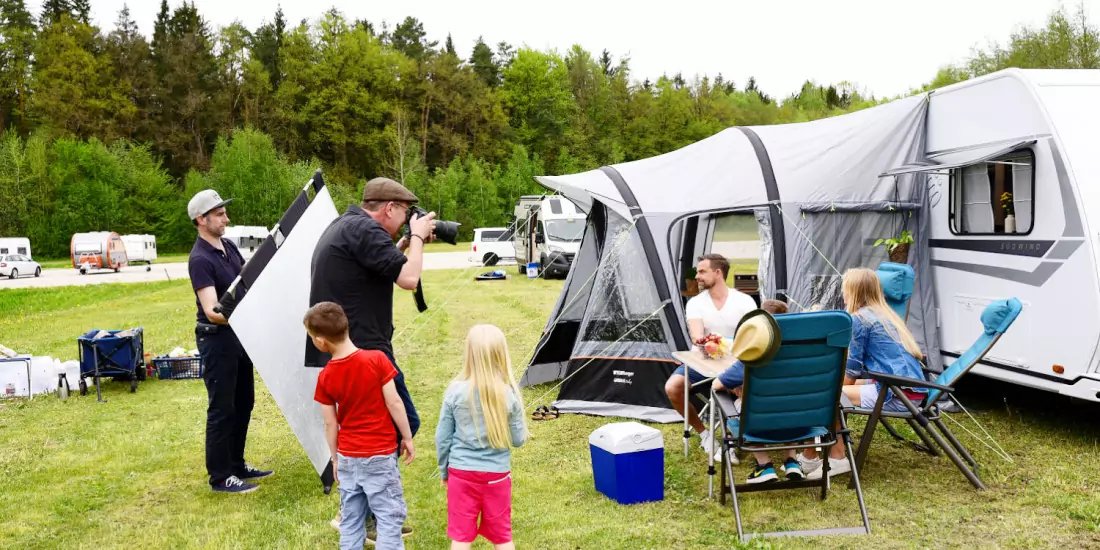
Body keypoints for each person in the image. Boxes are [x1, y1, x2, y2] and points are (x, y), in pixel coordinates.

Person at [310, 177, 434, 537]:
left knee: (367, 429)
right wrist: (420, 239)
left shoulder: (348, 225)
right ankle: (363, 513)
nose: (407, 218)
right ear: (389, 208)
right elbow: (409, 278)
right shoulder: (365, 231)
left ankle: (359, 513)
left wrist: (408, 242)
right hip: (363, 352)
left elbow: (383, 262)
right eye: (405, 213)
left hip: (348, 350)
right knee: (401, 423)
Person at [798, 267, 927, 480]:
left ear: (854, 291)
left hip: (896, 392)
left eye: (844, 289)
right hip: (910, 388)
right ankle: (815, 454)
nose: (842, 294)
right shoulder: (886, 315)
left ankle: (832, 458)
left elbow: (852, 370)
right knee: (828, 390)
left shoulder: (860, 319)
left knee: (824, 396)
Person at [307, 302, 415, 550]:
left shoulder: (325, 376)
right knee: (389, 517)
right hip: (379, 455)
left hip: (348, 457)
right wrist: (407, 436)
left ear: (321, 341)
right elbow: (395, 402)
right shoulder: (377, 360)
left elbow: (330, 423)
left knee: (352, 520)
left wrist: (335, 459)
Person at [187, 189, 272, 494]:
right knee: (222, 408)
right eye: (219, 214)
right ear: (201, 219)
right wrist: (244, 312)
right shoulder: (199, 259)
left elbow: (246, 282)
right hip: (217, 339)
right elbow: (212, 311)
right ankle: (221, 477)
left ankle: (236, 464)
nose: (226, 218)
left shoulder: (229, 246)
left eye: (224, 213)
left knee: (244, 402)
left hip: (240, 336)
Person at [436, 324, 528, 550]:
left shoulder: (454, 391)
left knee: (461, 538)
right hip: (497, 475)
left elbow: (443, 438)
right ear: (501, 354)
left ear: (469, 354)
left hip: (461, 474)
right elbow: (518, 440)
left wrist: (443, 469)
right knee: (503, 537)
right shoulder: (509, 394)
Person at [665, 253, 757, 456]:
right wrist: (706, 343)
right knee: (673, 387)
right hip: (702, 361)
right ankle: (705, 433)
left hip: (735, 362)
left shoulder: (745, 301)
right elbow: (698, 337)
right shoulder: (695, 303)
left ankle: (733, 440)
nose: (696, 276)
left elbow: (752, 339)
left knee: (741, 387)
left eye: (701, 271)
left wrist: (724, 347)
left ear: (718, 273)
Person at [711, 300, 801, 483]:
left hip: (759, 424)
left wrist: (736, 387)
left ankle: (764, 466)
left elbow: (716, 385)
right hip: (799, 423)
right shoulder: (802, 354)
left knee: (737, 407)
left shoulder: (754, 353)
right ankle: (791, 462)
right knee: (788, 403)